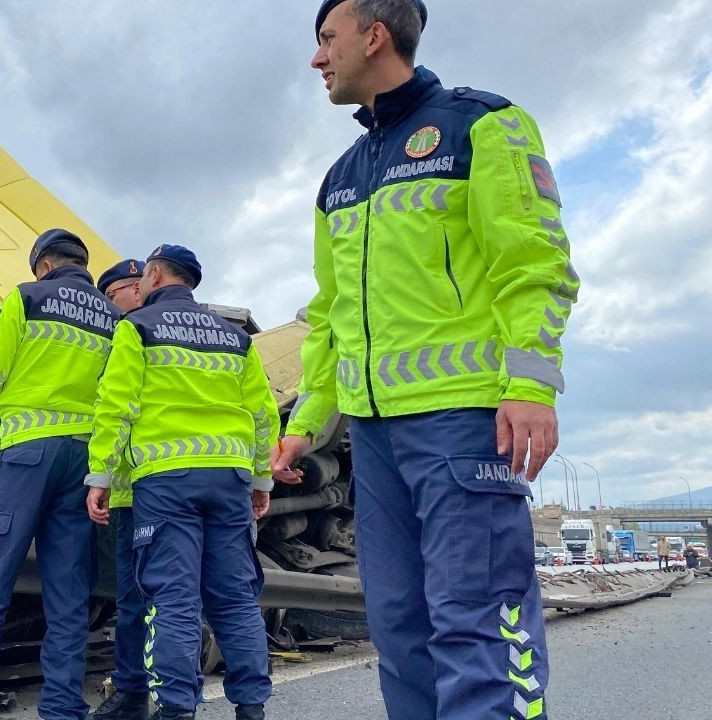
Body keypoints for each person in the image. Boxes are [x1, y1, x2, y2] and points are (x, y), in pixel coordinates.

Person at [272, 2, 579, 718]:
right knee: (400, 629)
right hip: (375, 438)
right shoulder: (341, 178)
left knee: (478, 618)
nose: (318, 59)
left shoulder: (482, 125)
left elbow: (535, 264)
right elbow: (332, 313)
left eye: (327, 40)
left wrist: (531, 385)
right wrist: (309, 420)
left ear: (374, 35)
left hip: (464, 421)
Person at [86, 245, 279, 720]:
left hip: (167, 482)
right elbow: (262, 414)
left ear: (153, 275)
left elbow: (117, 406)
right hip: (229, 481)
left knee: (173, 599)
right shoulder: (235, 337)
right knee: (235, 597)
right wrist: (261, 481)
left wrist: (101, 476)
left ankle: (176, 708)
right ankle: (251, 708)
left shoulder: (138, 329)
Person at [0, 229, 121, 720]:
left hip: (25, 457)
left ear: (42, 264)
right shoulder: (113, 319)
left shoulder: (29, 297)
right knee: (68, 591)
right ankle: (63, 707)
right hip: (84, 465)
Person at [87, 259, 148, 720]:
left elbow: (113, 412)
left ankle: (139, 693)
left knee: (143, 596)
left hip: (143, 490)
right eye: (121, 290)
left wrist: (100, 479)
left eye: (133, 286)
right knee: (142, 598)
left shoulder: (131, 336)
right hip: (149, 490)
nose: (131, 294)